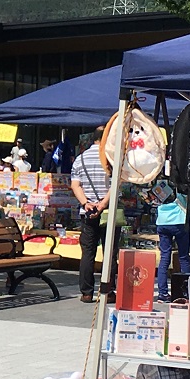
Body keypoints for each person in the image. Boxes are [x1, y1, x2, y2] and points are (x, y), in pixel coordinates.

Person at [70, 127, 111, 303]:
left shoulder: (80, 159)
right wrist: (102, 204)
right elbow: (116, 186)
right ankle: (108, 291)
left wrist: (86, 203)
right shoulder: (111, 159)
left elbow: (75, 185)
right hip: (108, 211)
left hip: (87, 211)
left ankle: (86, 292)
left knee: (88, 253)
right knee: (110, 253)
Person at [155, 193, 190, 303]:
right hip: (179, 220)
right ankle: (185, 292)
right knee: (183, 257)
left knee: (164, 257)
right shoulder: (180, 184)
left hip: (162, 221)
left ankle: (162, 293)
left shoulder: (158, 182)